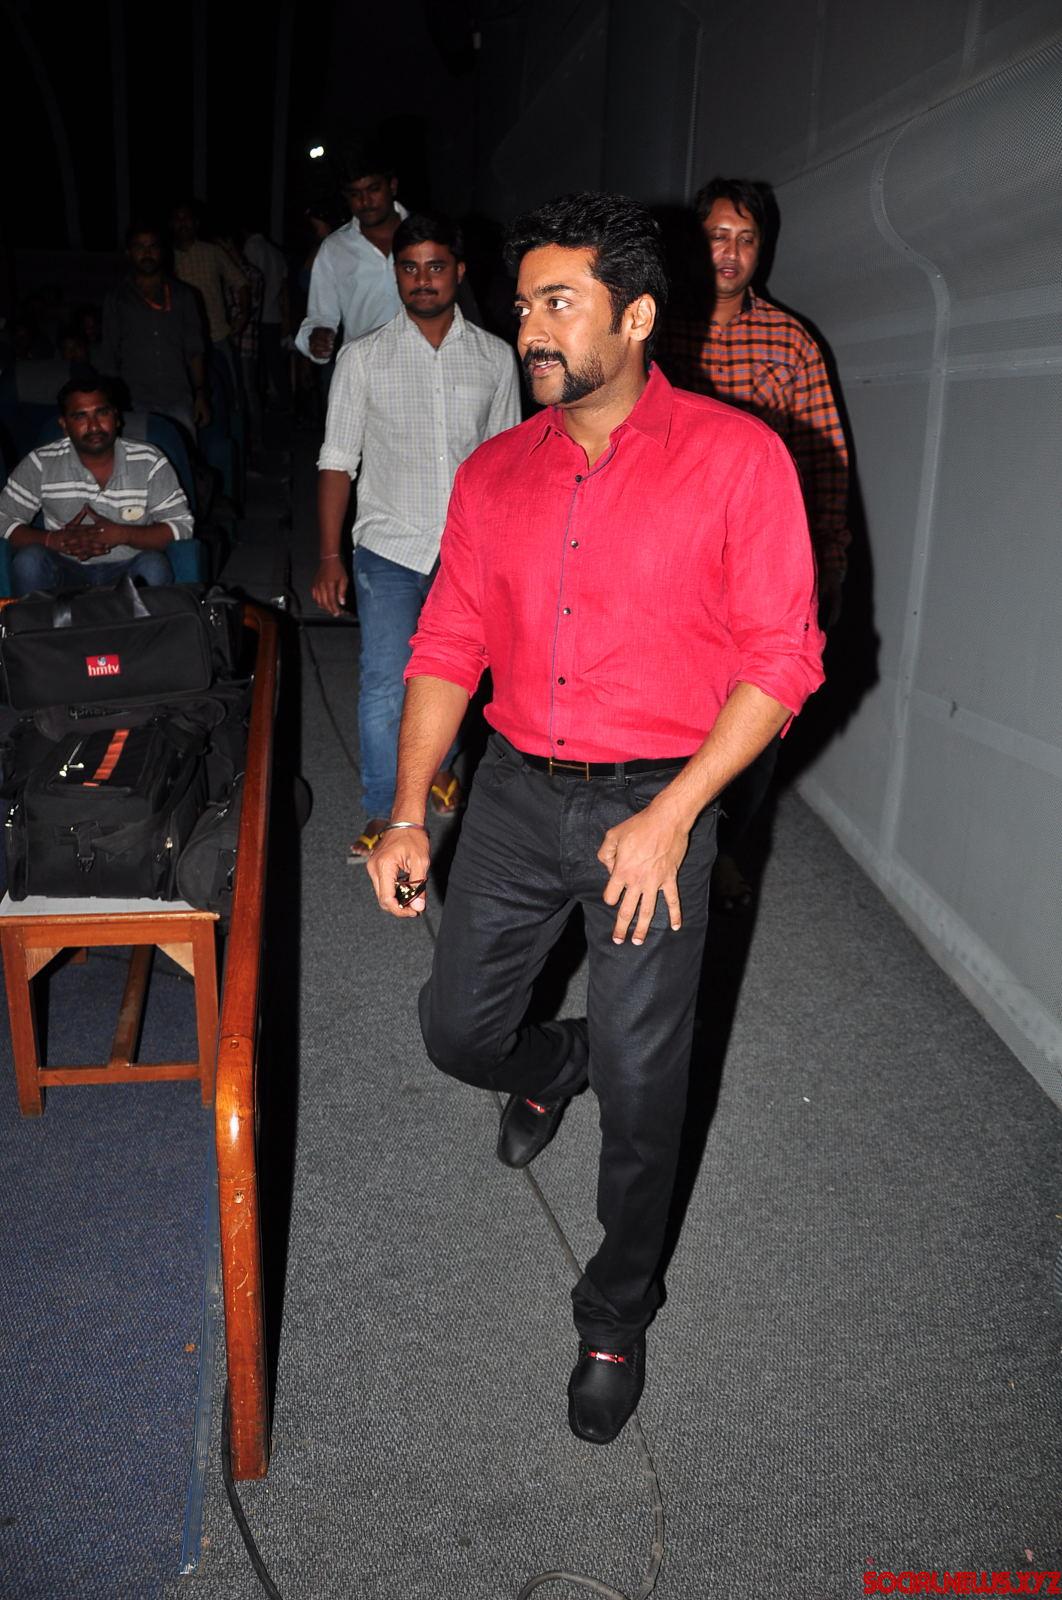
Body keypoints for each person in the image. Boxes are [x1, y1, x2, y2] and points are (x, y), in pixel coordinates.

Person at [366, 193, 825, 1445]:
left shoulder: (739, 459)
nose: (530, 328)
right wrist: (406, 812)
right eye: (523, 305)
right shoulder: (495, 472)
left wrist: (678, 813)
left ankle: (615, 1311)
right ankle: (546, 1062)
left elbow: (784, 661)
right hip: (517, 794)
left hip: (657, 800)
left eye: (558, 302)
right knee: (456, 1032)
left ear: (637, 315)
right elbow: (447, 642)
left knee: (643, 1086)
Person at [660, 176, 850, 909]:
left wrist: (830, 561)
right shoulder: (657, 326)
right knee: (674, 711)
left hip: (760, 561)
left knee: (760, 715)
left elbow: (827, 459)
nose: (731, 253)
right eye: (718, 236)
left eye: (746, 239)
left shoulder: (791, 341)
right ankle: (672, 833)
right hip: (675, 558)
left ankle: (723, 849)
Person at [313, 212, 520, 858]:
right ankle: (384, 809)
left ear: (459, 272)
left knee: (458, 673)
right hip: (389, 546)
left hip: (467, 551)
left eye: (435, 267)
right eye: (409, 268)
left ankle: (441, 765)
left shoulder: (496, 358)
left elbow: (507, 463)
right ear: (394, 274)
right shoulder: (362, 358)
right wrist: (329, 555)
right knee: (384, 680)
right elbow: (337, 461)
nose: (422, 280)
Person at [0, 374, 193, 594]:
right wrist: (52, 540)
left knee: (153, 566)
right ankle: (43, 619)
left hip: (129, 569)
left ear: (116, 418)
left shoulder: (149, 460)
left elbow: (181, 525)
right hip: (63, 570)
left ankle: (139, 618)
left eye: (102, 413)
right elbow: (3, 519)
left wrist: (123, 535)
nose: (93, 426)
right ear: (64, 425)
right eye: (80, 416)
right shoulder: (41, 463)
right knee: (29, 562)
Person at [294, 158, 407, 368]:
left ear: (392, 186)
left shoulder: (426, 236)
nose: (365, 201)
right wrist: (317, 338)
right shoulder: (334, 248)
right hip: (364, 372)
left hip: (424, 370)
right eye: (355, 194)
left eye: (373, 189)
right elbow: (321, 317)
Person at [100, 223, 210, 437]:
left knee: (181, 454)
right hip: (133, 401)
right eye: (140, 247)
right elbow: (110, 355)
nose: (147, 252)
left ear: (162, 251)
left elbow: (195, 350)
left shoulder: (184, 295)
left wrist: (200, 394)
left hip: (178, 399)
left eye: (153, 246)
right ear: (129, 252)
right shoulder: (117, 298)